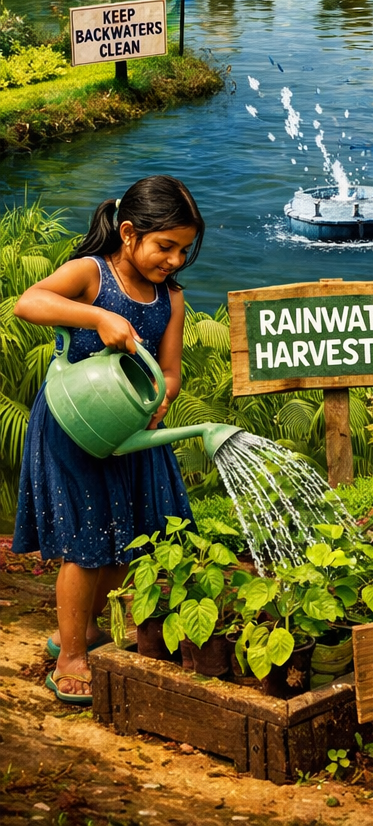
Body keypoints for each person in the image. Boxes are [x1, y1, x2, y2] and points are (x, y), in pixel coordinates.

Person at [12, 177, 203, 704]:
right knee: (86, 544)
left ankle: (85, 632)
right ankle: (71, 657)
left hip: (135, 430)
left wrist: (161, 400)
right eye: (166, 246)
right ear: (127, 233)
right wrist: (98, 316)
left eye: (183, 250)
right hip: (75, 423)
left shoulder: (172, 297)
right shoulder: (92, 275)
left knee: (131, 539)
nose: (175, 260)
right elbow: (28, 303)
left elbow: (169, 370)